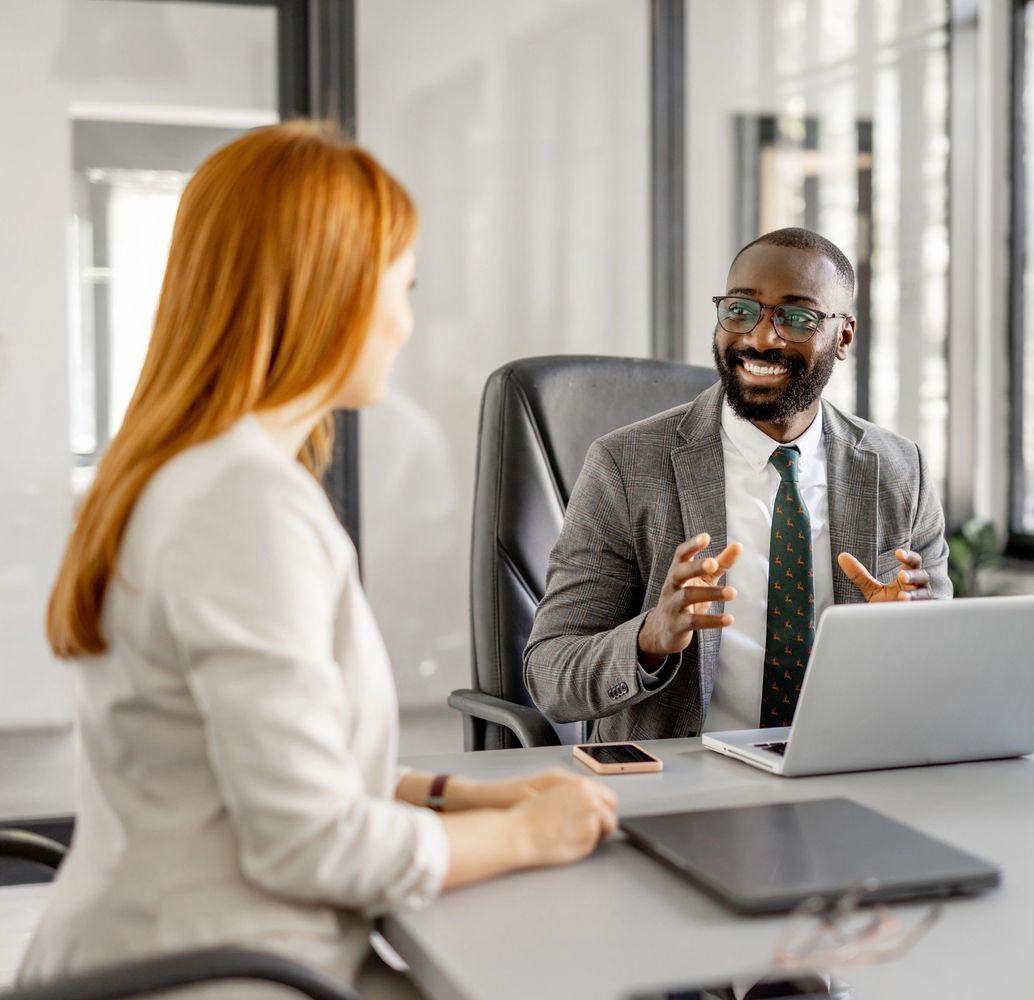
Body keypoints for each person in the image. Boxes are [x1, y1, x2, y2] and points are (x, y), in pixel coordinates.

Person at [20, 122, 618, 995]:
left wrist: (459, 796)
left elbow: (285, 767)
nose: (406, 324)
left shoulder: (190, 472)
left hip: (183, 947)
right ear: (330, 291)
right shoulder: (242, 504)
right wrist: (527, 838)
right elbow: (310, 840)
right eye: (401, 288)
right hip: (224, 971)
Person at [525, 227, 951, 742]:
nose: (760, 337)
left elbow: (936, 670)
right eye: (740, 310)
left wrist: (907, 642)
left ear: (842, 337)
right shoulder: (624, 465)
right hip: (684, 782)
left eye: (796, 318)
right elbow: (549, 674)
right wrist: (649, 639)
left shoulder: (901, 470)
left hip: (840, 769)